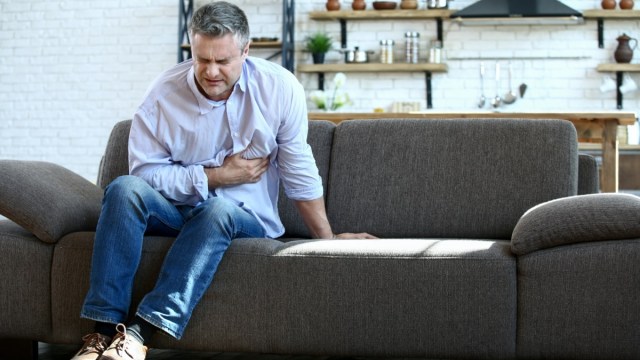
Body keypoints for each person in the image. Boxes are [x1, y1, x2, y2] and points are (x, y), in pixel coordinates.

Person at [71, 2, 376, 360]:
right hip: (176, 213)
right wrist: (215, 176)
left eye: (223, 61)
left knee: (218, 208)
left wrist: (326, 239)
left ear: (246, 51)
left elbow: (297, 167)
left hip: (243, 219)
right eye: (202, 59)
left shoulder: (278, 88)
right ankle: (100, 334)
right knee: (123, 188)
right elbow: (145, 175)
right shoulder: (162, 97)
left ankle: (139, 334)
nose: (211, 71)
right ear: (192, 49)